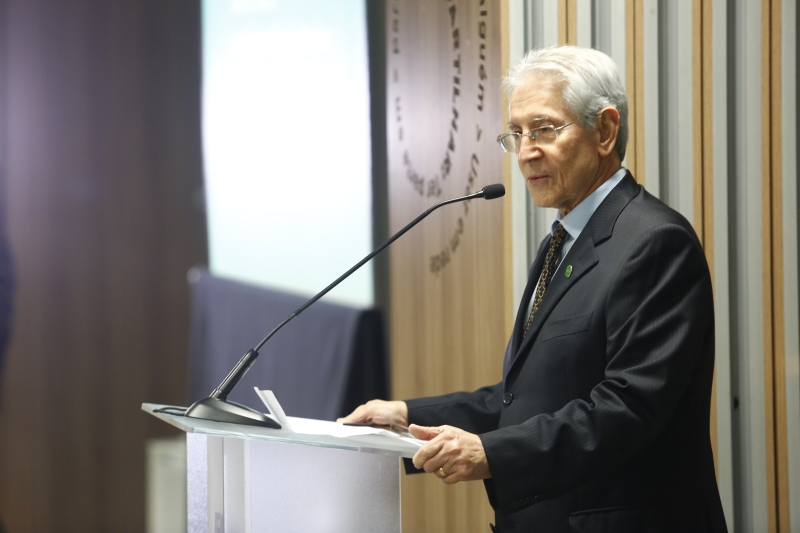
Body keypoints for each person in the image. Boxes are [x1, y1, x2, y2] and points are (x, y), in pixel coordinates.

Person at [340, 46, 726, 532]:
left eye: (544, 129)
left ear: (605, 130)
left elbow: (630, 406)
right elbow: (527, 399)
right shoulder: (560, 242)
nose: (525, 152)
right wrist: (404, 418)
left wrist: (492, 452)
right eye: (516, 134)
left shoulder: (654, 242)